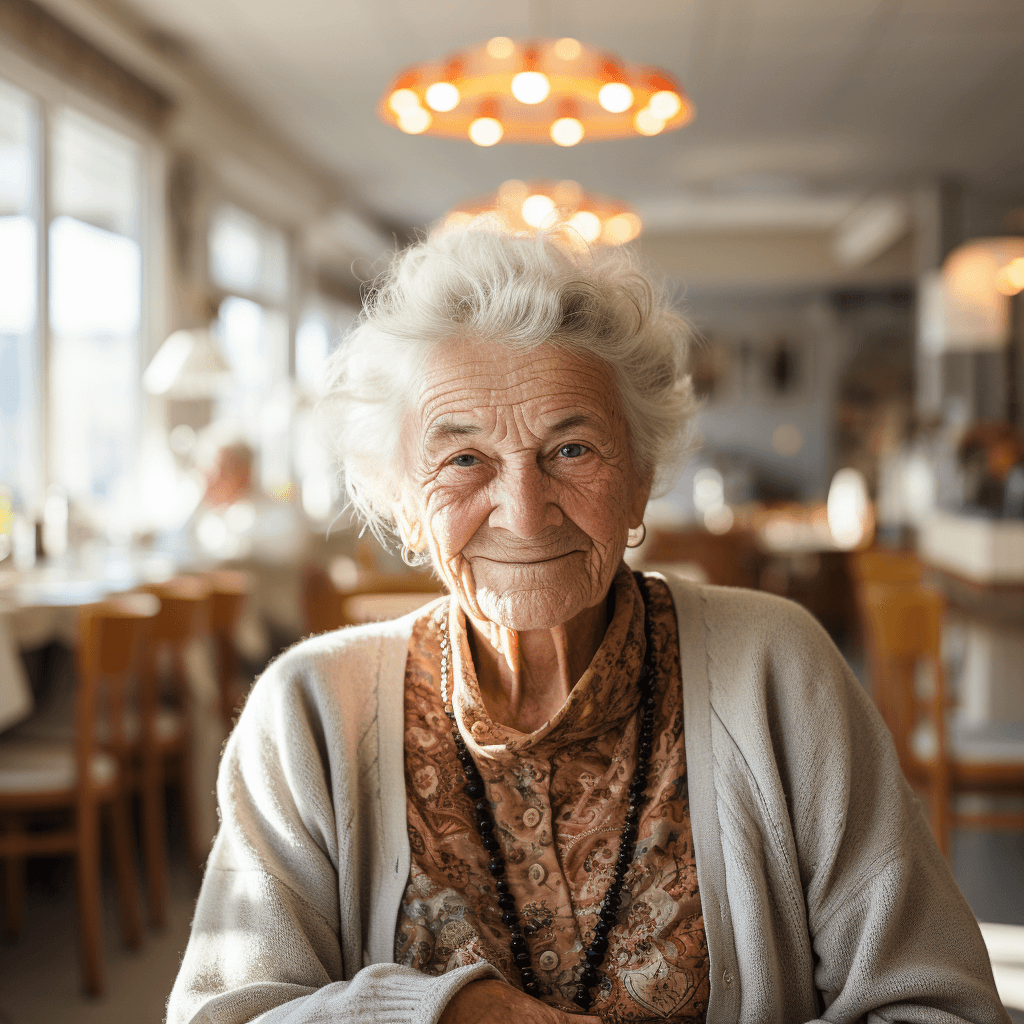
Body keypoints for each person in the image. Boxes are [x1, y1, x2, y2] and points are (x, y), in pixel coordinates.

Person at [167, 230, 1009, 1024]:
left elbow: (939, 1003)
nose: (525, 515)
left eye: (572, 450)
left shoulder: (777, 670)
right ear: (401, 502)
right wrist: (435, 1013)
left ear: (641, 480)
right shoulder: (308, 713)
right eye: (464, 459)